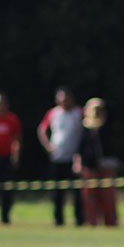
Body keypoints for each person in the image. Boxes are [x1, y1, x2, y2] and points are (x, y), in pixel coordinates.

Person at [37, 87, 85, 227]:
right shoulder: (53, 114)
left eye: (66, 99)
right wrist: (48, 146)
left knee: (77, 192)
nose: (64, 102)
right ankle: (58, 220)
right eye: (61, 100)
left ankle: (79, 220)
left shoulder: (78, 113)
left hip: (74, 159)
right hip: (57, 158)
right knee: (57, 192)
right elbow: (42, 129)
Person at [74, 98, 119, 227]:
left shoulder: (108, 127)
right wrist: (77, 163)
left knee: (108, 197)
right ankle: (91, 222)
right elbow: (80, 148)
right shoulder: (85, 129)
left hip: (106, 167)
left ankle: (111, 223)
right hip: (89, 167)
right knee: (89, 197)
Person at [0, 91, 23, 225]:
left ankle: (5, 217)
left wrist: (15, 156)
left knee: (7, 189)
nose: (0, 106)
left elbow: (17, 139)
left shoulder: (12, 119)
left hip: (6, 159)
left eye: (2, 103)